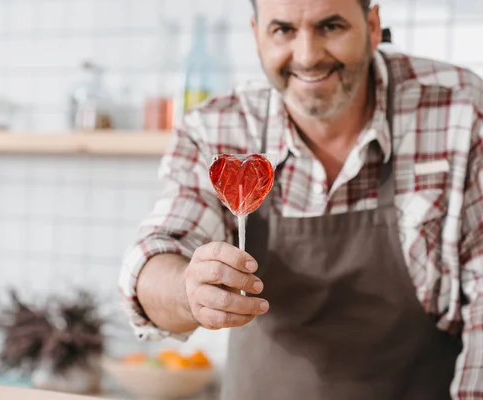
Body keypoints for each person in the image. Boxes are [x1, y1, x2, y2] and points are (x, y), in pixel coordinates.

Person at [119, 0, 483, 398]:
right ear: (257, 34)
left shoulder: (460, 110)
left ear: (373, 25)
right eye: (284, 31)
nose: (308, 56)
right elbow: (157, 254)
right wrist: (190, 291)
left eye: (330, 26)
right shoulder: (217, 126)